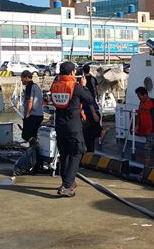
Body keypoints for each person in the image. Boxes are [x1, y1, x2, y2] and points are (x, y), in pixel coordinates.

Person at [50, 62, 98, 197]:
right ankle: (66, 186)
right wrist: (84, 86)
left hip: (59, 126)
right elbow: (90, 99)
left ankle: (67, 182)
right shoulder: (75, 87)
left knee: (64, 155)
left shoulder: (55, 85)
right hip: (73, 126)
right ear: (72, 72)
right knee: (77, 153)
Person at [20, 70, 44, 145]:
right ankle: (34, 152)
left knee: (25, 135)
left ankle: (37, 144)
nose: (21, 80)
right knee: (33, 135)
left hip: (33, 115)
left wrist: (27, 115)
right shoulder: (36, 86)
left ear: (27, 77)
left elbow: (30, 101)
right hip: (40, 115)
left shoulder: (29, 86)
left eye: (22, 78)